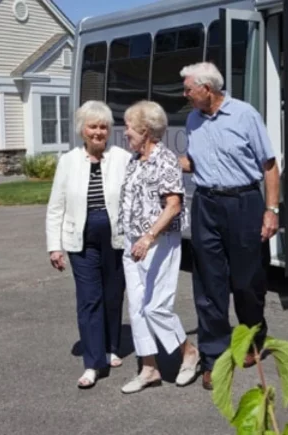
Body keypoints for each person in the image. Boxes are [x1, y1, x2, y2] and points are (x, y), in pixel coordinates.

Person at [178, 62, 280, 390]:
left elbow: (269, 165)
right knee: (209, 285)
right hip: (206, 204)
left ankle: (253, 339)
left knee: (247, 282)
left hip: (244, 203)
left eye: (189, 89)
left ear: (207, 89)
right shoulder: (193, 119)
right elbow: (196, 161)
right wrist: (176, 162)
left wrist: (271, 210)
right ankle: (214, 359)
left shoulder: (245, 114)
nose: (185, 94)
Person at [45, 100, 132, 389]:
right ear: (83, 130)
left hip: (115, 239)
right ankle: (93, 364)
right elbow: (56, 206)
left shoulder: (121, 157)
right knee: (89, 298)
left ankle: (112, 346)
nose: (98, 132)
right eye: (93, 126)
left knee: (112, 294)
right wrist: (54, 246)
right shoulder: (68, 161)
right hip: (79, 240)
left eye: (103, 126)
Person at [118, 100, 201, 394]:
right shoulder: (134, 160)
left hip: (159, 242)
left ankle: (189, 352)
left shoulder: (165, 160)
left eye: (129, 127)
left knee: (155, 307)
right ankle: (149, 368)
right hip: (133, 244)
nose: (125, 132)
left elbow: (174, 205)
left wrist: (148, 236)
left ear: (146, 130)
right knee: (138, 307)